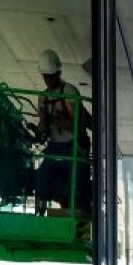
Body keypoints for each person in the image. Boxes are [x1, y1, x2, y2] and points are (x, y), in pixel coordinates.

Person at [35, 49, 87, 214]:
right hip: (55, 146)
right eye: (45, 77)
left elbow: (77, 125)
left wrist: (53, 120)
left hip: (73, 145)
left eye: (51, 76)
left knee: (76, 183)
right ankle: (40, 210)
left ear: (59, 73)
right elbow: (43, 125)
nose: (48, 80)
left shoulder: (70, 92)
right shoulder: (43, 97)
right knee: (42, 178)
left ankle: (74, 207)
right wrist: (40, 129)